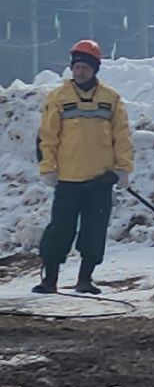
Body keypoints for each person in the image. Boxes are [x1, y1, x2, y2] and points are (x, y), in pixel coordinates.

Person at [33, 40, 134, 295]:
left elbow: (122, 136)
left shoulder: (111, 99)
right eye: (77, 67)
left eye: (85, 68)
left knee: (94, 231)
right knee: (60, 230)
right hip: (68, 179)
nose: (80, 72)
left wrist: (124, 168)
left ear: (94, 69)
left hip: (101, 180)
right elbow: (47, 135)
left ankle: (85, 279)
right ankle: (49, 280)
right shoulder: (58, 98)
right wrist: (48, 167)